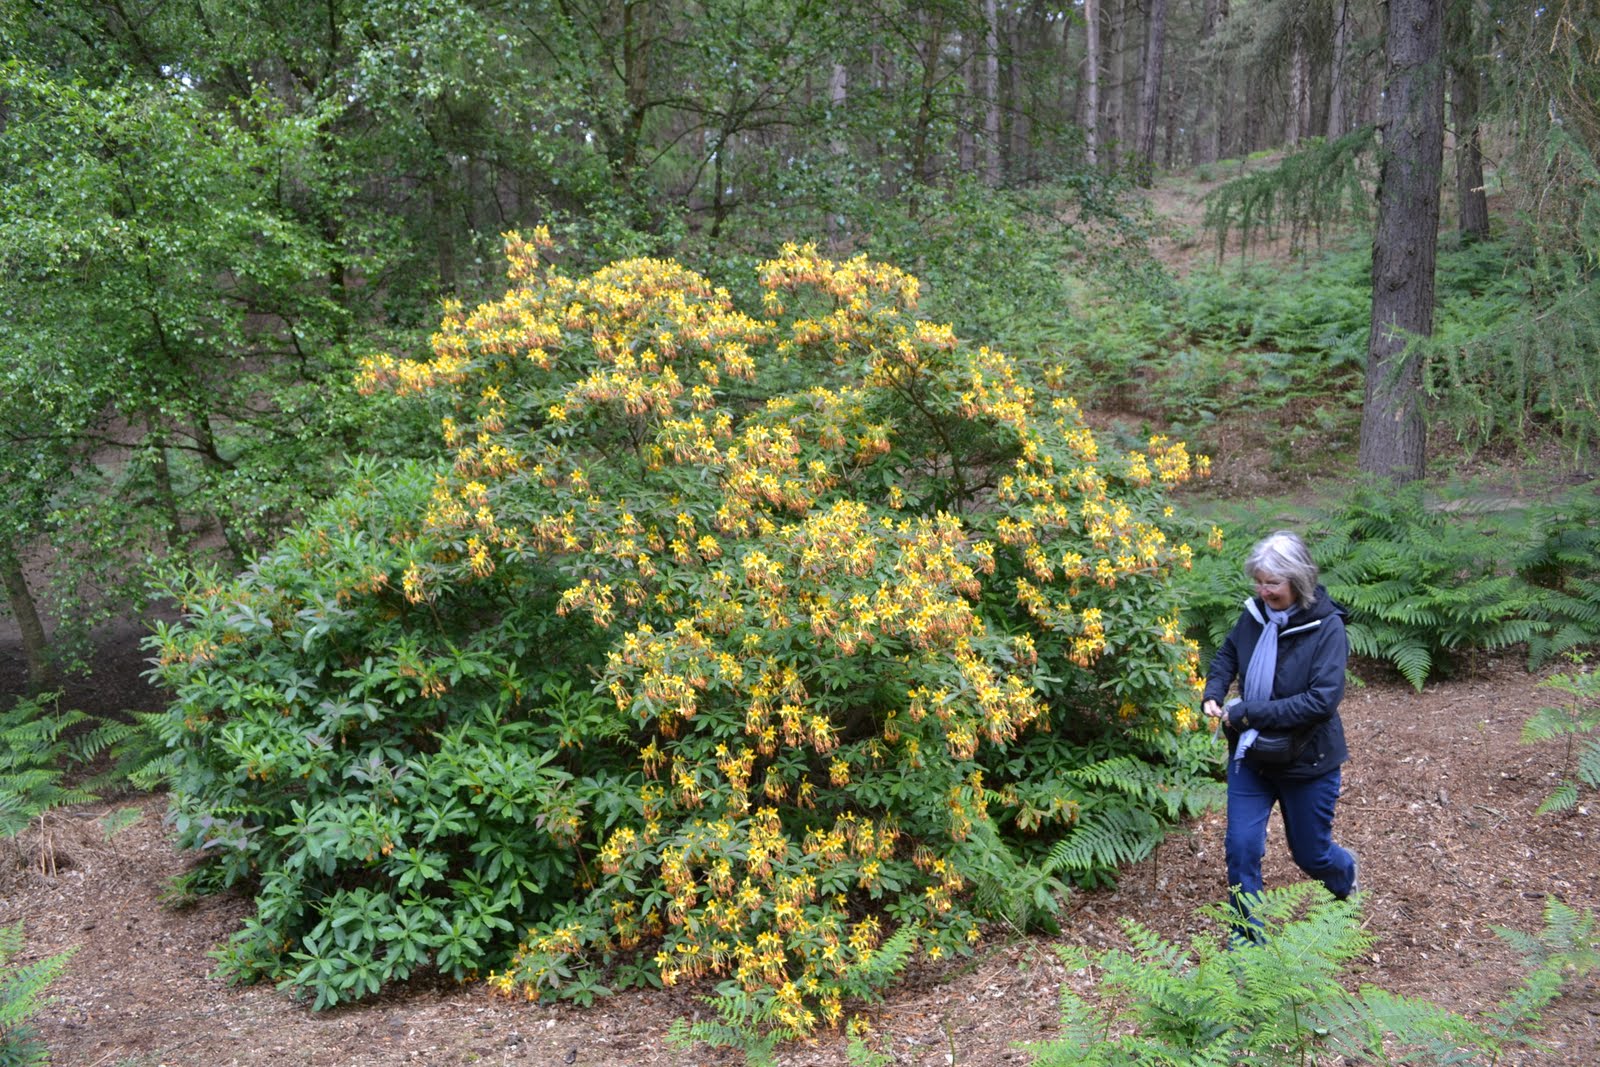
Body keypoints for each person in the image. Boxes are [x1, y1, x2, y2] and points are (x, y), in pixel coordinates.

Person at [1202, 530, 1358, 938]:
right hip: (1251, 757)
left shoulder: (1328, 628)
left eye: (1272, 583)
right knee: (1241, 849)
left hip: (1308, 761)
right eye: (1259, 581)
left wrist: (1248, 713)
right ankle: (1247, 939)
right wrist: (1214, 692)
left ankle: (1345, 877)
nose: (1263, 591)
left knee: (1312, 855)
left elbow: (1320, 702)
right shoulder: (1253, 615)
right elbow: (1228, 654)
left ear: (1298, 581)